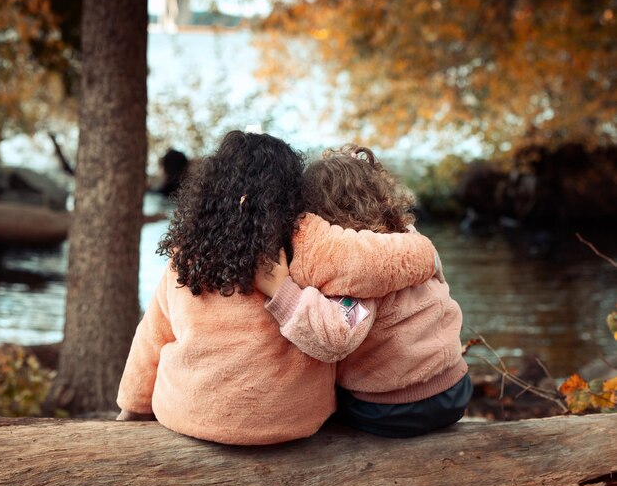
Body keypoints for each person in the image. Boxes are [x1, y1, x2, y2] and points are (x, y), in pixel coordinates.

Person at [116, 131, 442, 445]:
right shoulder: (307, 238)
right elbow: (372, 265)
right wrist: (422, 250)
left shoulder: (187, 253)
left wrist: (132, 408)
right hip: (289, 420)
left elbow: (151, 335)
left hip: (188, 412)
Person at [256, 145, 471, 438]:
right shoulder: (408, 236)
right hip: (455, 388)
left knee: (322, 400)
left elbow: (338, 333)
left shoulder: (358, 271)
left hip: (394, 409)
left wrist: (282, 292)